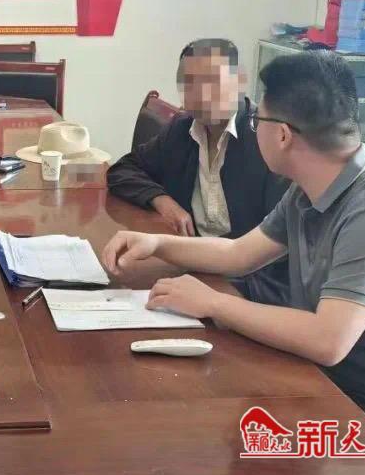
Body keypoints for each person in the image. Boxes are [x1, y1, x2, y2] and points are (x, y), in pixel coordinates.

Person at [103, 51, 365, 475]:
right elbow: (239, 254)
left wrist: (214, 303)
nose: (251, 126)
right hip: (335, 389)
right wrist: (156, 244)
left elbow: (328, 340)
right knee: (184, 439)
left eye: (256, 118)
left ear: (281, 134)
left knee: (211, 470)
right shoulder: (312, 188)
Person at [107, 38, 289, 299]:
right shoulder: (181, 131)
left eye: (213, 81)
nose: (202, 94)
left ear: (239, 82)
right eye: (190, 83)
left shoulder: (265, 137)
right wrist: (162, 200)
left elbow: (282, 246)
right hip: (189, 264)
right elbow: (123, 169)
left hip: (252, 281)